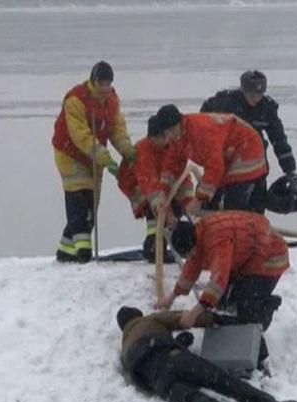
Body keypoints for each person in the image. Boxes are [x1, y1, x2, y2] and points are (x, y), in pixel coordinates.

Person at [117, 306, 297, 402]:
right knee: (222, 381)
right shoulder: (149, 320)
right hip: (177, 359)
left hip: (158, 380)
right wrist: (215, 319)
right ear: (138, 315)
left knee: (191, 399)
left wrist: (179, 343)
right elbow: (183, 318)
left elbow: (143, 369)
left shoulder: (124, 350)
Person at [154, 211, 289, 367]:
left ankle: (264, 311)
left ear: (193, 244)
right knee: (223, 302)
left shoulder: (217, 242)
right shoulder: (198, 234)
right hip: (247, 258)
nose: (189, 257)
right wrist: (171, 298)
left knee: (247, 309)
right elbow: (191, 267)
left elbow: (218, 281)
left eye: (189, 253)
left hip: (269, 258)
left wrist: (195, 313)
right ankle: (239, 327)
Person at [52, 60, 135, 263]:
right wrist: (105, 158)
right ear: (94, 81)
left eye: (109, 84)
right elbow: (81, 136)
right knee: (80, 199)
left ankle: (66, 250)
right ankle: (83, 253)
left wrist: (127, 151)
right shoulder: (76, 99)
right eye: (102, 83)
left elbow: (116, 129)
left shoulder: (112, 101)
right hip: (71, 154)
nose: (106, 88)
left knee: (91, 205)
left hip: (95, 157)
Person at [152, 104, 268, 215]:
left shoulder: (201, 132)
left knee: (233, 204)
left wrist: (199, 200)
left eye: (172, 129)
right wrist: (163, 192)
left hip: (246, 150)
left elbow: (215, 167)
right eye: (167, 132)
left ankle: (242, 228)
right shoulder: (177, 138)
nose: (170, 135)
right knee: (211, 200)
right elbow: (171, 166)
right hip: (227, 154)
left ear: (180, 122)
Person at [117, 115, 194, 262]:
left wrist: (189, 203)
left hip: (159, 183)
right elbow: (150, 187)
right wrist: (166, 212)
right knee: (155, 209)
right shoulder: (143, 151)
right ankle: (154, 246)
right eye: (160, 137)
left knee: (174, 206)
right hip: (136, 185)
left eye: (165, 136)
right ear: (151, 137)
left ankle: (172, 241)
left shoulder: (173, 146)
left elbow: (180, 176)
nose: (164, 140)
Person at [201, 70, 297, 178]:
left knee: (257, 190)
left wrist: (290, 169)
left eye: (259, 94)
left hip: (256, 163)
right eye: (252, 95)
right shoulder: (226, 103)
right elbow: (204, 117)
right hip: (230, 160)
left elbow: (279, 139)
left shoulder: (267, 109)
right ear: (244, 91)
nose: (256, 99)